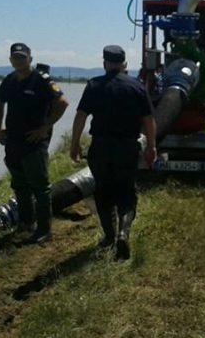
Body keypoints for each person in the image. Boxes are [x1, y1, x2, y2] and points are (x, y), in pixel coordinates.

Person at [70, 45, 157, 260]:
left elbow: (80, 116)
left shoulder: (93, 85)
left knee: (103, 191)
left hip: (100, 147)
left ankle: (109, 237)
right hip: (127, 148)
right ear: (125, 65)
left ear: (104, 64)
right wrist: (152, 147)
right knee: (126, 192)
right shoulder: (136, 87)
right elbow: (148, 120)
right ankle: (123, 233)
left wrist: (74, 144)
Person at [0, 42, 69, 244]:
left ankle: (44, 230)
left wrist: (45, 127)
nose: (19, 61)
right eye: (15, 58)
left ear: (30, 59)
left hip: (34, 142)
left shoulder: (42, 80)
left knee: (40, 187)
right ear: (10, 60)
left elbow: (62, 103)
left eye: (22, 57)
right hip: (13, 140)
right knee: (19, 184)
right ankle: (26, 223)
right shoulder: (9, 80)